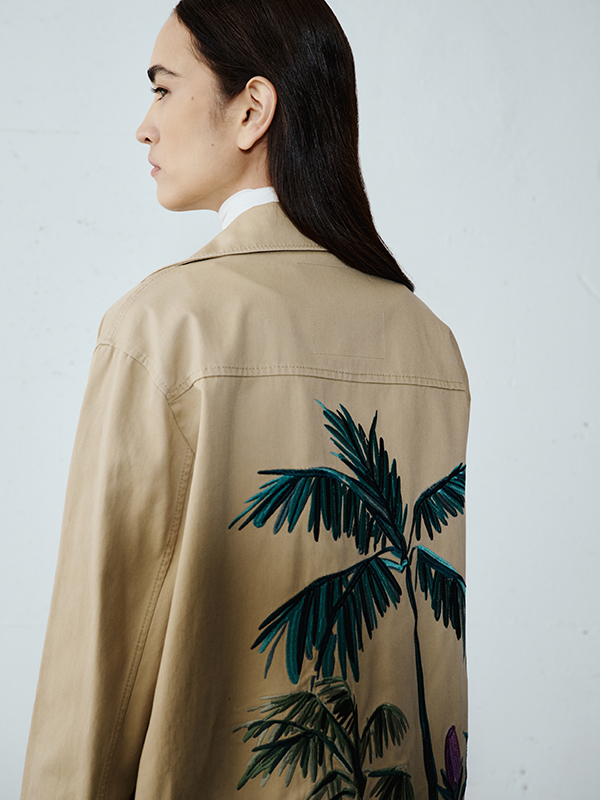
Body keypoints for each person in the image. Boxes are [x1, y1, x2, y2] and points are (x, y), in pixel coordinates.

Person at [21, 1, 469, 798]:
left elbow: (103, 650)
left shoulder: (164, 326)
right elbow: (433, 654)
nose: (144, 127)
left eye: (163, 88)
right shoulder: (428, 341)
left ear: (252, 109)